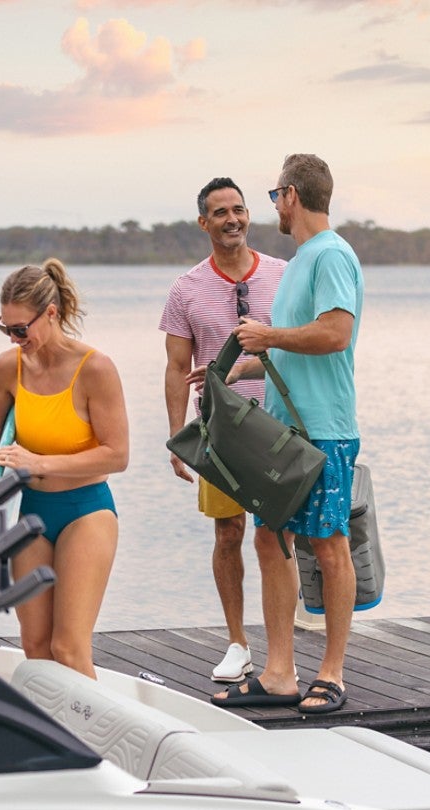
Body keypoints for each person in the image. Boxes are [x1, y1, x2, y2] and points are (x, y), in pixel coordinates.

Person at [212, 154, 364, 714]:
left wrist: (267, 334)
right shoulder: (300, 261)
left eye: (276, 195)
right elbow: (287, 349)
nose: (273, 205)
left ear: (292, 196)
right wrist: (232, 371)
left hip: (323, 429)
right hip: (281, 429)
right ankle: (278, 673)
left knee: (328, 544)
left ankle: (332, 673)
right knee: (270, 539)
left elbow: (334, 334)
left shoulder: (331, 256)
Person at [0, 258, 129, 679]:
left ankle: (94, 744)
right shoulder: (9, 367)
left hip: (87, 511)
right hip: (33, 513)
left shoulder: (95, 368)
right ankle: (56, 741)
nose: (14, 337)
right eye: (5, 328)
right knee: (36, 646)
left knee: (69, 647)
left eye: (21, 328)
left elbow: (117, 454)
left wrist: (39, 462)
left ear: (52, 314)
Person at [160, 178, 286, 683]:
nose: (232, 219)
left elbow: (302, 345)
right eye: (220, 212)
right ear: (204, 223)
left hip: (277, 425)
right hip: (219, 431)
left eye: (238, 209)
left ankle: (282, 649)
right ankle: (238, 642)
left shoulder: (283, 274)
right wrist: (178, 438)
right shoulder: (186, 288)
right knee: (228, 531)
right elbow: (175, 367)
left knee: (276, 536)